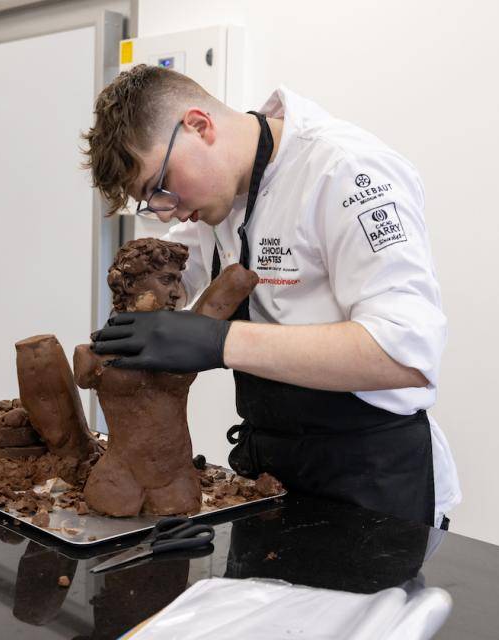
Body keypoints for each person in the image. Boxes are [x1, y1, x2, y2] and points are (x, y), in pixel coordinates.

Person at [82, 64, 460, 528]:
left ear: (199, 127)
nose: (165, 214)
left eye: (160, 188)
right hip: (271, 468)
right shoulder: (221, 192)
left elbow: (408, 354)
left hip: (369, 479)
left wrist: (220, 342)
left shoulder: (346, 171)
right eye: (151, 200)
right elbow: (171, 285)